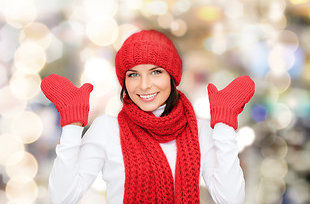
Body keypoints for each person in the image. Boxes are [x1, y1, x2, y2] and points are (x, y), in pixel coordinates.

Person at [41, 30, 255, 204]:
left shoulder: (200, 130)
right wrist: (71, 126)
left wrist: (225, 127)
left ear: (172, 76)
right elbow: (62, 198)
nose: (144, 85)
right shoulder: (106, 129)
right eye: (133, 74)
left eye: (156, 72)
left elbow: (231, 199)